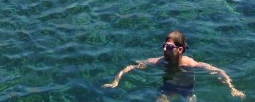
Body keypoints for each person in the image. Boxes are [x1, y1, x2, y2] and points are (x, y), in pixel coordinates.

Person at [104, 30, 245, 99]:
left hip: (187, 91)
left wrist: (232, 87)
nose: (164, 50)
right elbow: (131, 67)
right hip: (168, 89)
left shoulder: (190, 64)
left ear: (180, 49)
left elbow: (218, 71)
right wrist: (115, 81)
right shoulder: (159, 61)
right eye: (164, 46)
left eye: (169, 47)